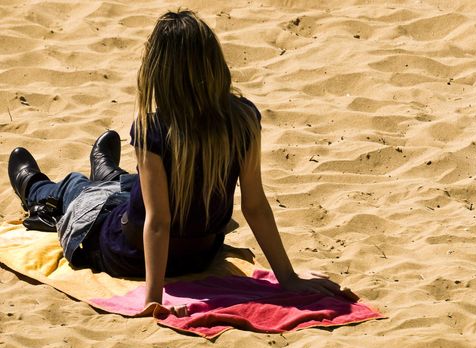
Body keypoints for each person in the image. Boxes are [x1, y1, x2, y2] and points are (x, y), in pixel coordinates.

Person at [7, 10, 354, 313]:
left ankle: (34, 185)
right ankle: (107, 172)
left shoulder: (152, 129)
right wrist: (287, 278)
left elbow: (158, 222)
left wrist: (153, 297)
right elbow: (256, 205)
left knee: (79, 191)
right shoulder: (243, 119)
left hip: (128, 254)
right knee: (129, 186)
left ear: (160, 71)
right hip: (201, 253)